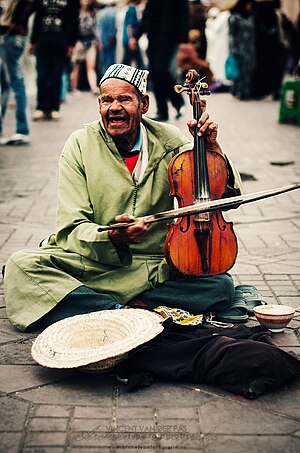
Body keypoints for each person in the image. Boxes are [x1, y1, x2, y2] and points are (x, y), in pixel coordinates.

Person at [4, 63, 244, 333]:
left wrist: (211, 148)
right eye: (107, 100)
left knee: (220, 286)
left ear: (144, 104)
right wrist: (110, 237)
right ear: (99, 105)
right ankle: (130, 310)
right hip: (95, 262)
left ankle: (100, 308)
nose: (114, 107)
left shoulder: (171, 141)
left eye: (124, 99)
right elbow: (71, 227)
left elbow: (225, 198)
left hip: (155, 266)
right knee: (21, 265)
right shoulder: (80, 144)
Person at [131, 0, 190, 121]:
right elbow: (147, 15)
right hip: (152, 37)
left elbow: (184, 15)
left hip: (169, 38)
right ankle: (162, 111)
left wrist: (184, 39)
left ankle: (177, 101)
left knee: (161, 70)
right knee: (154, 73)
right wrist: (136, 36)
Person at [29, 0, 80, 121]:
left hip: (61, 42)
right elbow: (38, 17)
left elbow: (74, 20)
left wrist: (71, 44)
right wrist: (33, 41)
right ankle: (41, 107)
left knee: (56, 75)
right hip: (43, 41)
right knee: (42, 75)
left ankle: (54, 108)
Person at [0, 0, 36, 146]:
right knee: (6, 82)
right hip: (12, 34)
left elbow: (30, 5)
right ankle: (19, 129)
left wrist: (13, 24)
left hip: (11, 35)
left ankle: (22, 129)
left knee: (15, 81)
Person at [228, 0, 256, 100]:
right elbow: (231, 36)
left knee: (248, 71)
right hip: (239, 50)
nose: (249, 6)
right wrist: (233, 50)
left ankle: (246, 92)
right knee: (239, 72)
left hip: (250, 50)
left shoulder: (250, 17)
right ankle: (239, 92)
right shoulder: (234, 18)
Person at [71, 0, 100, 96]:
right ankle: (74, 88)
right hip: (78, 42)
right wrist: (75, 41)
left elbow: (96, 28)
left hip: (90, 42)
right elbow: (72, 28)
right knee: (76, 66)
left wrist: (97, 41)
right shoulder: (75, 12)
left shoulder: (93, 12)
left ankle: (93, 87)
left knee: (91, 66)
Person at [121, 0, 145, 68]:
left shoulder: (131, 8)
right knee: (136, 61)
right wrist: (131, 39)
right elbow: (130, 26)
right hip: (131, 40)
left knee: (128, 61)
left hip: (129, 39)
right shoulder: (132, 9)